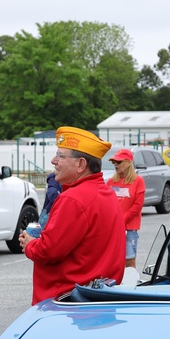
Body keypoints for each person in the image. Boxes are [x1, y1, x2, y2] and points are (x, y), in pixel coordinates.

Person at [18, 126, 124, 304]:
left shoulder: (73, 199)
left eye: (60, 155)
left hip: (67, 303)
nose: (54, 160)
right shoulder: (105, 192)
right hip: (99, 296)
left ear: (81, 164)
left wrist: (30, 244)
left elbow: (49, 251)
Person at [106, 148, 146, 269]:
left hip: (129, 229)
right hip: (113, 228)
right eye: (114, 162)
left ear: (129, 162)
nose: (115, 165)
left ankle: (129, 284)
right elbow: (107, 205)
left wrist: (121, 221)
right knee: (112, 261)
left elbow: (137, 206)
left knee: (129, 262)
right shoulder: (110, 182)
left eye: (119, 162)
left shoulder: (138, 181)